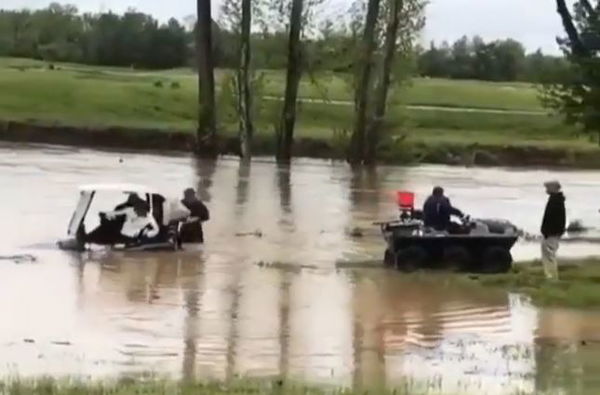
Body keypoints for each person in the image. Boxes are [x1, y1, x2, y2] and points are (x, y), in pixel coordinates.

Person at [540, 180, 566, 280]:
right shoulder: (556, 199)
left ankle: (551, 277)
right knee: (549, 255)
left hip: (551, 233)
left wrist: (548, 232)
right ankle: (550, 276)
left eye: (548, 188)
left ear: (554, 188)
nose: (546, 190)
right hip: (551, 233)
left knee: (549, 256)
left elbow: (554, 219)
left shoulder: (556, 201)